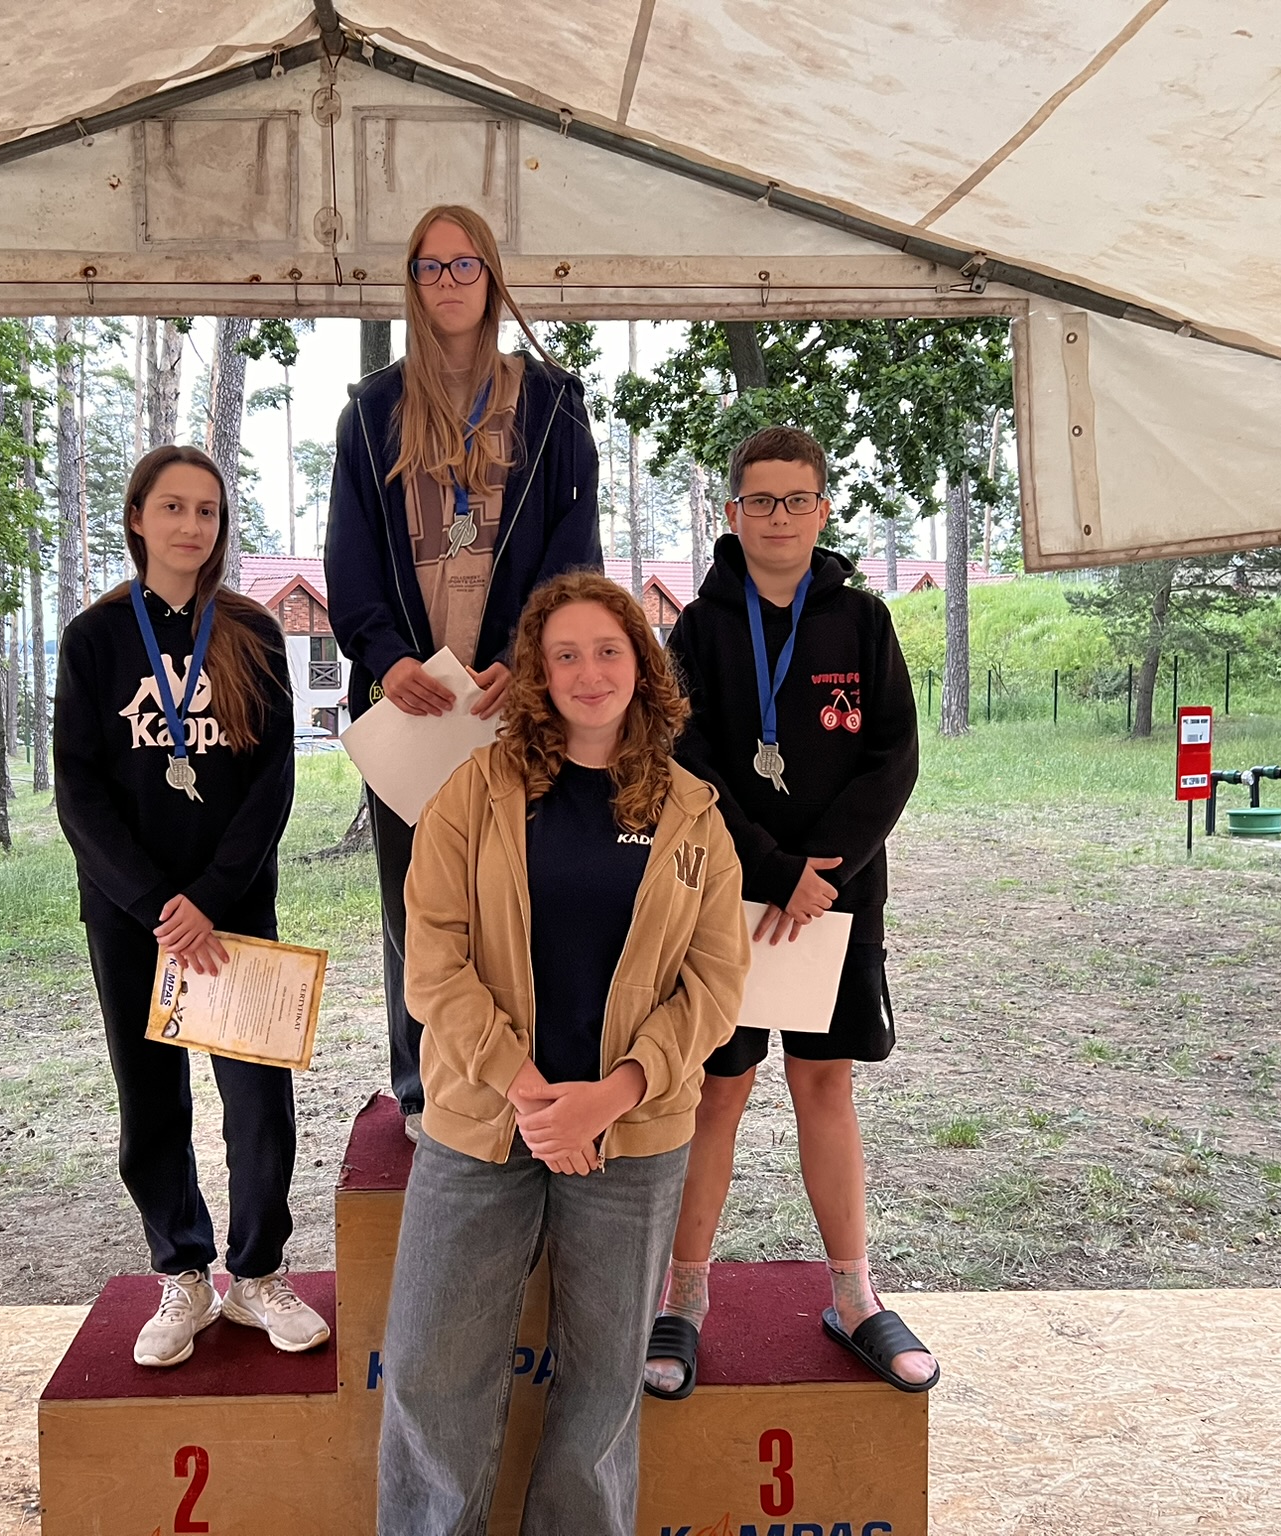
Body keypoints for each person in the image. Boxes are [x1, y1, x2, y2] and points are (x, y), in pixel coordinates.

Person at [377, 572, 747, 1536]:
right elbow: (432, 962)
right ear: (538, 673)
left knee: (602, 1389)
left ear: (642, 666)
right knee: (430, 1373)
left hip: (632, 1137)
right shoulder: (474, 792)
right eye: (566, 654)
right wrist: (532, 1092)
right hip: (483, 1120)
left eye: (609, 651)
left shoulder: (694, 814)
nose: (590, 673)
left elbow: (715, 989)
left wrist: (612, 1095)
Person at [642, 425, 938, 1400]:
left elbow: (891, 757)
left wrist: (825, 873)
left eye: (796, 500)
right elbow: (686, 762)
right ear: (732, 513)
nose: (778, 517)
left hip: (835, 905)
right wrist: (772, 869)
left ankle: (853, 1294)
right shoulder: (698, 631)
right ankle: (683, 1298)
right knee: (716, 1092)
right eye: (760, 501)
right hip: (729, 902)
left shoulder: (862, 621)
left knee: (824, 1084)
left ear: (822, 509)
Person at [326, 202, 601, 1143]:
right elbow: (349, 554)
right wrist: (385, 656)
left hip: (511, 697)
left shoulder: (553, 403)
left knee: (524, 890)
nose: (447, 282)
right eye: (429, 267)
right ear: (411, 282)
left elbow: (576, 550)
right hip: (414, 704)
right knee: (417, 905)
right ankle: (422, 1090)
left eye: (464, 264)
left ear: (492, 276)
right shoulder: (372, 411)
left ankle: (530, 1077)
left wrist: (528, 656)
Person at [54, 444, 329, 1369]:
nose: (191, 525)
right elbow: (78, 788)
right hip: (131, 914)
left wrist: (209, 898)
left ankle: (258, 1274)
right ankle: (183, 1273)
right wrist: (154, 903)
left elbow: (272, 780)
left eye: (207, 510)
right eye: (172, 507)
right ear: (137, 518)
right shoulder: (95, 638)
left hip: (233, 905)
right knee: (150, 1099)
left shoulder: (251, 631)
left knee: (257, 1101)